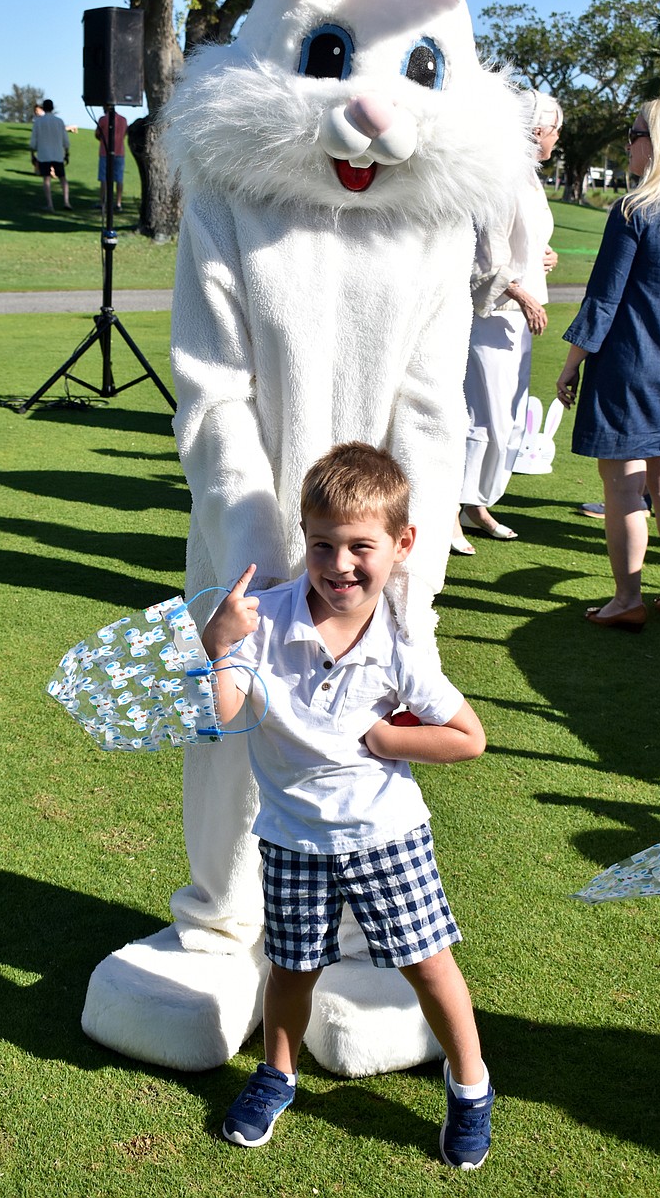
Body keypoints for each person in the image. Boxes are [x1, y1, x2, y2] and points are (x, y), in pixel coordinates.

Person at [201, 442, 493, 1169]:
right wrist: (219, 643)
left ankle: (471, 1086)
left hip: (387, 836)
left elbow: (469, 738)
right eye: (323, 544)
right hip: (292, 840)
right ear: (305, 538)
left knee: (429, 965)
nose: (339, 565)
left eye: (361, 546)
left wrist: (391, 736)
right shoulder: (261, 618)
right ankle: (277, 1074)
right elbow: (227, 712)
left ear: (403, 544)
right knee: (292, 970)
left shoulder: (400, 646)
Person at [556, 96, 660, 630]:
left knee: (622, 486)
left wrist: (570, 365)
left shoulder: (635, 211)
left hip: (630, 364)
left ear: (655, 143)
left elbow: (602, 300)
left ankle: (627, 598)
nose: (629, 140)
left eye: (634, 131)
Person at [452, 90, 562, 554]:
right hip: (493, 316)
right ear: (538, 131)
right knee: (483, 417)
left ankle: (477, 504)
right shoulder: (501, 179)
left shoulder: (531, 180)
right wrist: (518, 290)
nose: (557, 140)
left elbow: (525, 245)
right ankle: (449, 509)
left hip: (520, 317)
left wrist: (544, 260)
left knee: (510, 417)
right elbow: (483, 259)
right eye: (555, 131)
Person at [29, 98, 71, 210]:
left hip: (44, 154)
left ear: (43, 108)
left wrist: (32, 154)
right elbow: (65, 140)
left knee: (46, 179)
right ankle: (66, 202)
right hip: (57, 154)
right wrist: (67, 153)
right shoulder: (59, 121)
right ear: (52, 108)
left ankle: (50, 204)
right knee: (62, 178)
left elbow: (34, 140)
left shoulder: (38, 122)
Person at [95, 106, 128, 211]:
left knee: (104, 178)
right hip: (120, 152)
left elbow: (97, 134)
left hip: (105, 152)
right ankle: (118, 203)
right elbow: (124, 134)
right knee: (119, 178)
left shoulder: (103, 119)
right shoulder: (123, 120)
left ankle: (103, 202)